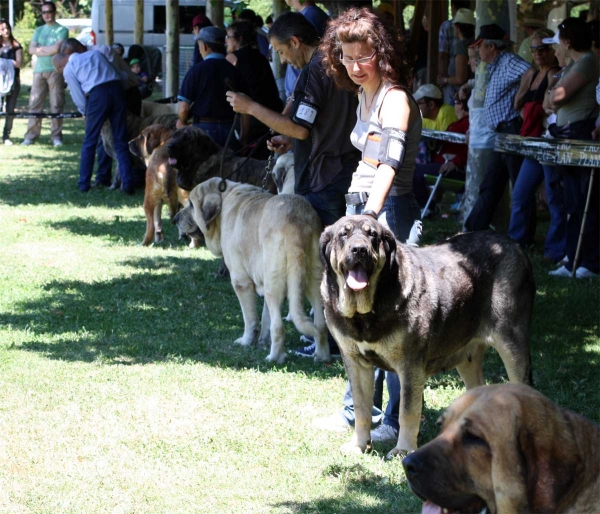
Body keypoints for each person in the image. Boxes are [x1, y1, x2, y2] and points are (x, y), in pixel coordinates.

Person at [314, 7, 423, 444]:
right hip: (362, 210)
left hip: (388, 214)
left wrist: (368, 221)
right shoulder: (363, 93)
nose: (355, 67)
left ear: (383, 52)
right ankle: (357, 414)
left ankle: (396, 421)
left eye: (364, 57)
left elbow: (386, 164)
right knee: (355, 313)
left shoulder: (394, 98)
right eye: (346, 57)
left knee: (398, 320)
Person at [226, 12, 359, 229]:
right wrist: (290, 141)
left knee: (325, 255)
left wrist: (250, 107)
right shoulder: (336, 62)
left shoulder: (314, 71)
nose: (283, 60)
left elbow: (300, 129)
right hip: (346, 172)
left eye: (281, 51)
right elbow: (320, 123)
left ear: (295, 42)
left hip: (323, 180)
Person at [544, 19, 599, 278]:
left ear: (568, 41)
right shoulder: (573, 65)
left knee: (585, 201)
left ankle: (588, 261)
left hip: (580, 139)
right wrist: (552, 96)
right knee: (571, 201)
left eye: (558, 42)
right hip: (567, 139)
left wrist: (553, 95)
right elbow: (549, 102)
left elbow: (555, 98)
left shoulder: (587, 61)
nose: (557, 48)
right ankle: (572, 257)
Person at [463, 24, 531, 233]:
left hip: (511, 130)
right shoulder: (495, 65)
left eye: (480, 46)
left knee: (519, 188)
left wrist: (520, 99)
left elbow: (530, 73)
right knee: (491, 184)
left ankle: (521, 237)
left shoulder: (509, 61)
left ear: (491, 47)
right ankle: (472, 229)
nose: (477, 50)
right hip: (501, 134)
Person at [509, 29, 565, 261]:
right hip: (532, 142)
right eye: (534, 49)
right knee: (521, 194)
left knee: (553, 198)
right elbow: (517, 104)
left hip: (548, 140)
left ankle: (555, 250)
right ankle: (515, 245)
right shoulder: (530, 74)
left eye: (543, 49)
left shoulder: (556, 74)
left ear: (552, 50)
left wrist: (531, 109)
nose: (539, 53)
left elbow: (547, 107)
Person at [52, 50, 134, 194]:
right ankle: (127, 184)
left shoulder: (69, 68)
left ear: (60, 66)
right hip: (117, 91)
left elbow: (77, 95)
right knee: (121, 140)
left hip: (98, 95)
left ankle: (84, 184)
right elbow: (119, 74)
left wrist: (85, 112)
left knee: (90, 141)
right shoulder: (96, 53)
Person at [177, 26, 248, 147]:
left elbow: (183, 109)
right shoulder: (235, 71)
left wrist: (181, 122)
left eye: (199, 45)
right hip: (230, 130)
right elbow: (246, 109)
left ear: (204, 46)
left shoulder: (195, 71)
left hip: (202, 131)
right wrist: (244, 138)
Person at [225, 20, 283, 156]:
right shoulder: (261, 57)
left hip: (249, 118)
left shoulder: (232, 58)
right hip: (270, 116)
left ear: (239, 39)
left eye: (228, 37)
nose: (226, 41)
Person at [413, 92, 470, 212]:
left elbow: (469, 150)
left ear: (462, 106)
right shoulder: (460, 122)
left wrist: (455, 162)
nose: (453, 106)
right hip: (442, 163)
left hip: (452, 168)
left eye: (456, 102)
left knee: (412, 171)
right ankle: (427, 207)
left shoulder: (468, 122)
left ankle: (425, 208)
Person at [22, 1, 68, 147]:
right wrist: (46, 49)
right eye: (44, 12)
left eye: (49, 11)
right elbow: (30, 49)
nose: (46, 15)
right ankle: (30, 136)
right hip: (38, 70)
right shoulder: (38, 30)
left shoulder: (62, 29)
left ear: (54, 12)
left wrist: (40, 49)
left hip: (55, 70)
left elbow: (57, 48)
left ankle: (56, 137)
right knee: (34, 104)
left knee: (56, 104)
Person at [283, 0, 330, 101]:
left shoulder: (310, 16)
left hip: (305, 95)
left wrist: (294, 98)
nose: (283, 59)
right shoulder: (310, 14)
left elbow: (312, 58)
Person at [438, 0, 471, 105]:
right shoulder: (473, 41)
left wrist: (444, 79)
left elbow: (460, 78)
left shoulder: (460, 46)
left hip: (455, 89)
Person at [0, 19, 22, 146]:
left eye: (7, 28)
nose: (6, 31)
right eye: (2, 29)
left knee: (10, 110)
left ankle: (6, 135)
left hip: (13, 82)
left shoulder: (16, 45)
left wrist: (4, 62)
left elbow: (19, 63)